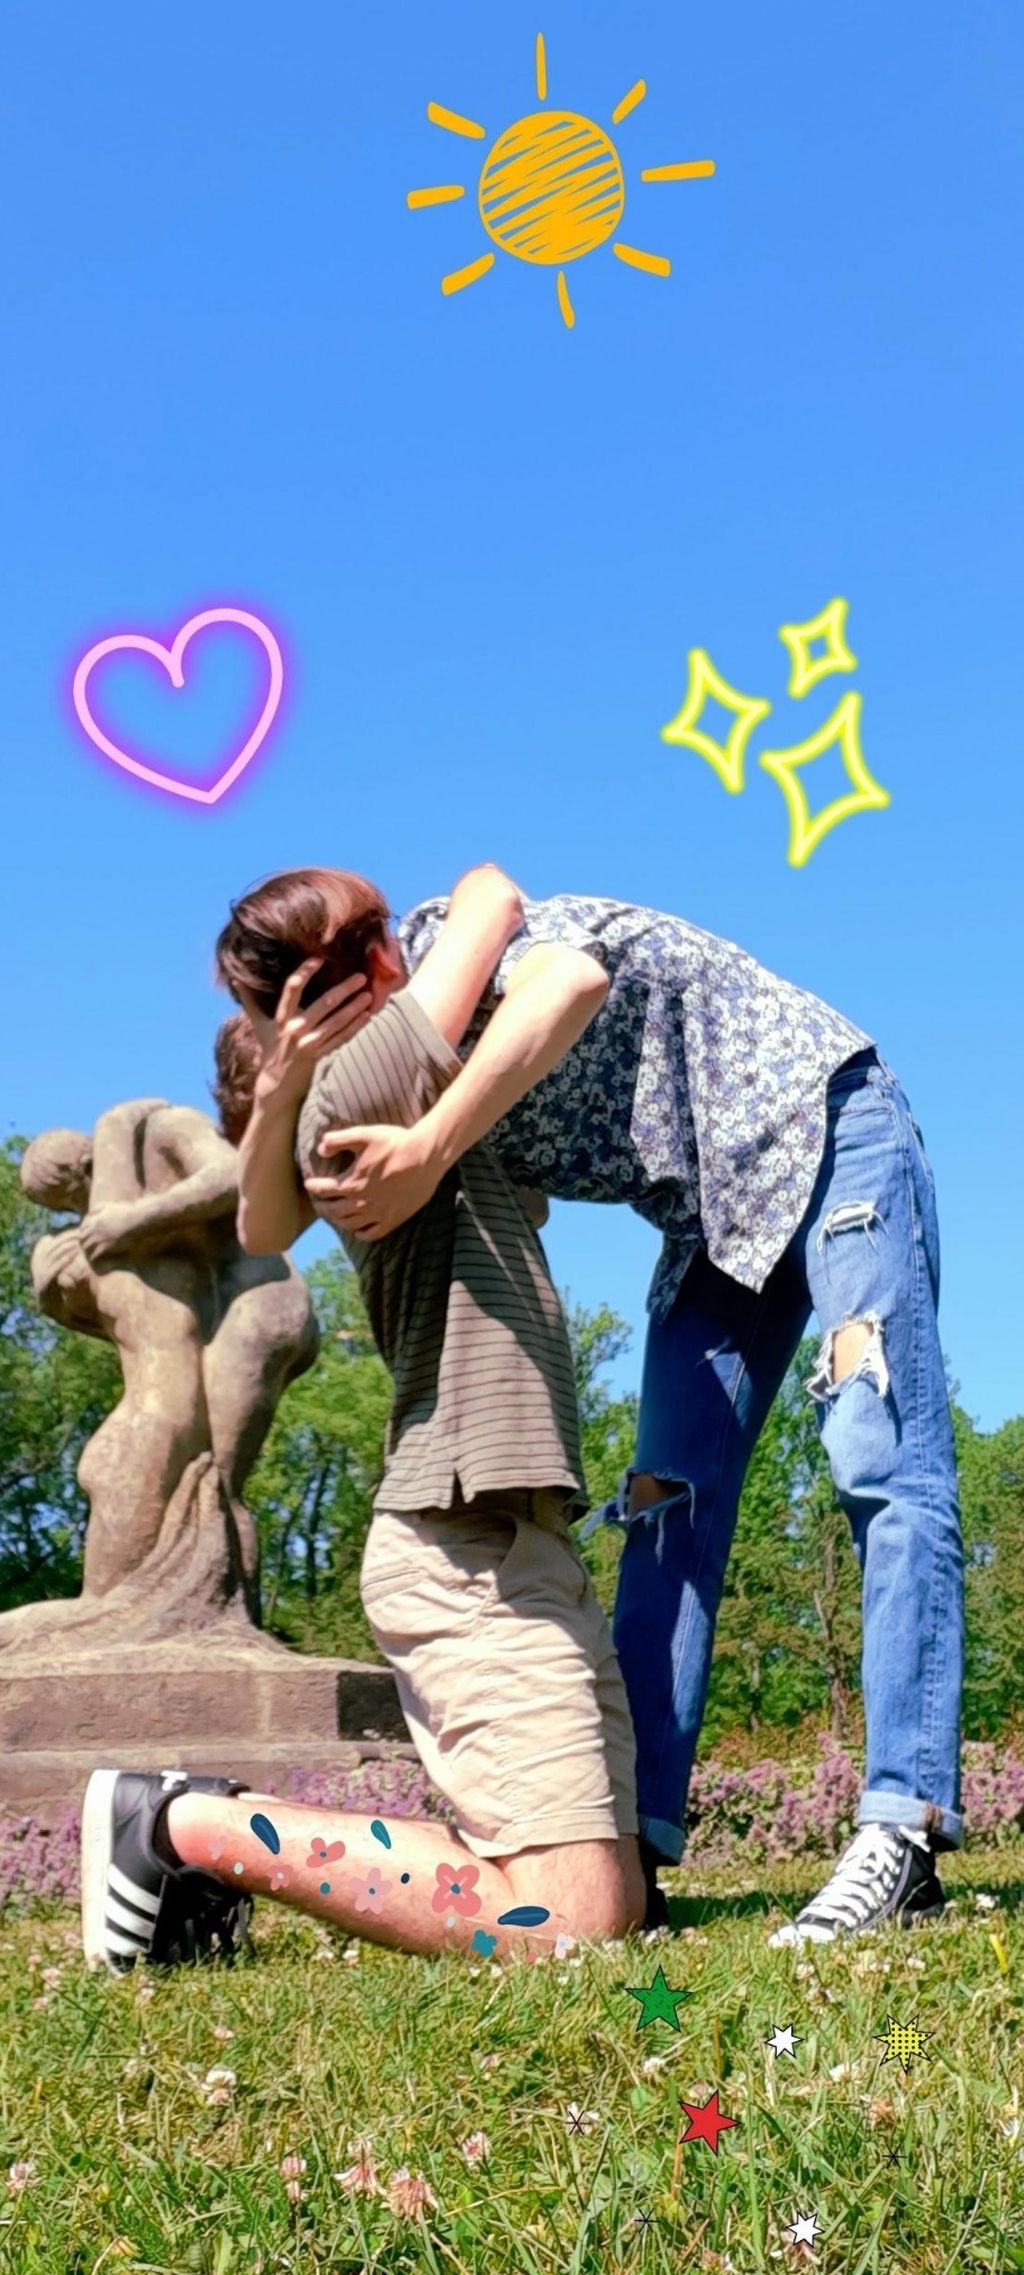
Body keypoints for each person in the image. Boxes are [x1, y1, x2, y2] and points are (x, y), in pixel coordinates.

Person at [228, 866, 965, 1949]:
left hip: (830, 1119)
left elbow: (566, 976)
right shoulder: (388, 1068)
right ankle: (645, 1843)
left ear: (373, 965)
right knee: (663, 1505)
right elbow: (266, 1223)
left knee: (879, 1457)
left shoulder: (456, 954)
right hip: (715, 1219)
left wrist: (431, 1148)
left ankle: (903, 1826)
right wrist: (282, 1083)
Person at [80, 866, 644, 1974]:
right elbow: (512, 913)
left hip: (508, 1529)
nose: (406, 942)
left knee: (612, 1904)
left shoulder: (367, 1093)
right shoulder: (366, 1076)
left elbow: (260, 1220)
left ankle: (189, 1848)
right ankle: (174, 1826)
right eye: (383, 928)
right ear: (353, 973)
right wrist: (330, 1052)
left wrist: (284, 1080)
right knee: (567, 1926)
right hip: (461, 1536)